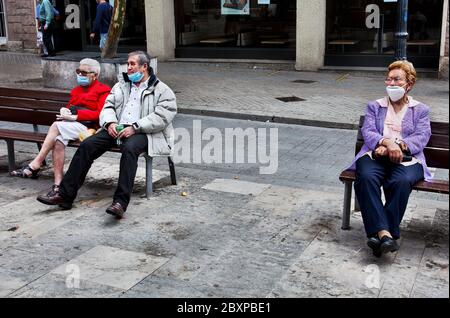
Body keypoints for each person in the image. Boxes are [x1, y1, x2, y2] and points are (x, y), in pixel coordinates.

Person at [37, 51, 177, 219]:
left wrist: (135, 127)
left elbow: (162, 116)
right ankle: (65, 195)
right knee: (87, 145)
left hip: (143, 131)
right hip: (117, 127)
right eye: (128, 63)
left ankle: (120, 202)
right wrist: (110, 123)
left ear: (144, 66)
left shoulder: (162, 90)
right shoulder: (121, 85)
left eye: (132, 64)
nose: (129, 67)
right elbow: (108, 107)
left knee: (129, 149)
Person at [345, 60, 431, 257]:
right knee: (365, 178)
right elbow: (368, 131)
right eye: (389, 79)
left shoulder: (420, 110)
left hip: (408, 159)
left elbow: (421, 137)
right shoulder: (375, 106)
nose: (391, 84)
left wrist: (397, 146)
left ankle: (379, 235)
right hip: (374, 155)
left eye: (397, 79)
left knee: (400, 181)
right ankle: (386, 234)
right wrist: (384, 143)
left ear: (409, 84)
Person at [11, 58, 111, 197]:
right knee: (58, 141)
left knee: (56, 125)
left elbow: (100, 114)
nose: (80, 75)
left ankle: (36, 164)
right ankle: (58, 185)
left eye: (84, 72)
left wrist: (77, 116)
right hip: (72, 125)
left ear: (95, 75)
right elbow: (71, 106)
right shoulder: (76, 90)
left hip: (89, 129)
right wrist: (65, 111)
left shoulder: (103, 90)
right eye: (78, 71)